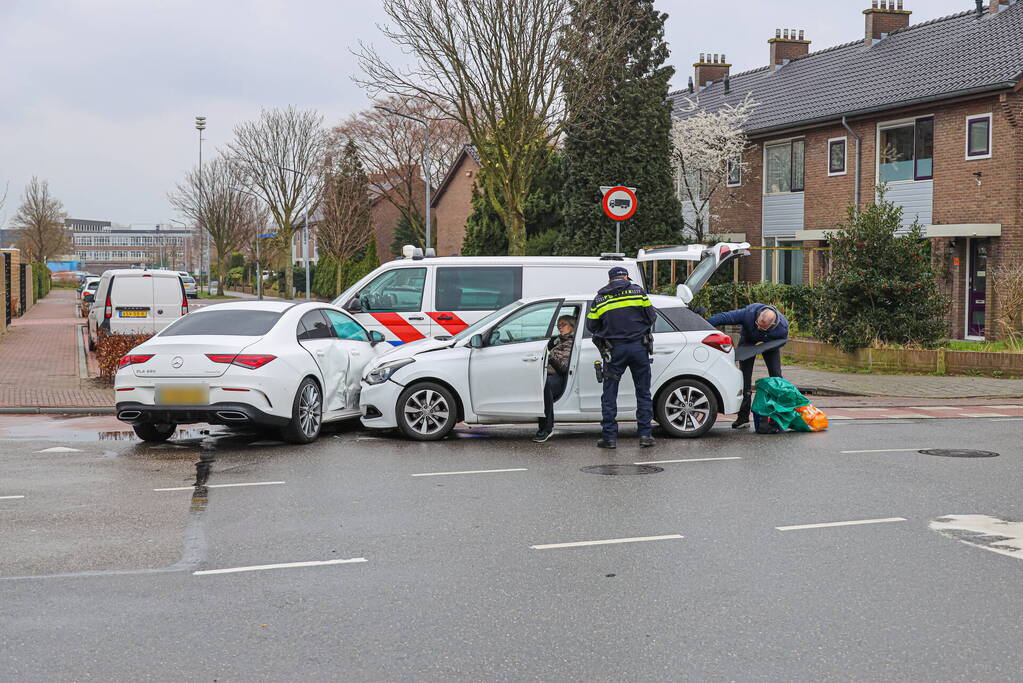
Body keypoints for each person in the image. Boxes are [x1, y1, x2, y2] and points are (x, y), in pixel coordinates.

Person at [586, 266, 657, 449]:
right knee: (643, 393)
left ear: (610, 280)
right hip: (638, 348)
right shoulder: (638, 292)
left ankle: (609, 438)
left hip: (614, 350)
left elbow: (591, 325)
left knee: (610, 394)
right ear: (625, 277)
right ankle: (645, 436)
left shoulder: (601, 298)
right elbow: (652, 316)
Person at [707, 303, 789, 429]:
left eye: (763, 328)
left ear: (772, 325)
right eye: (757, 324)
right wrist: (704, 324)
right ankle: (743, 417)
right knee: (744, 378)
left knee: (776, 377)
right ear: (758, 316)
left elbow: (782, 341)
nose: (758, 328)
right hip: (748, 342)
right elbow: (725, 317)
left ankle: (781, 415)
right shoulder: (749, 313)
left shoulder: (782, 326)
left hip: (770, 344)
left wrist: (766, 343)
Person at [533, 315, 576, 443]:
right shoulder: (559, 340)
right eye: (559, 325)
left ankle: (546, 428)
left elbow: (563, 368)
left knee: (545, 386)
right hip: (548, 373)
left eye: (563, 324)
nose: (560, 327)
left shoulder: (570, 343)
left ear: (572, 326)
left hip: (558, 377)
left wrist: (550, 355)